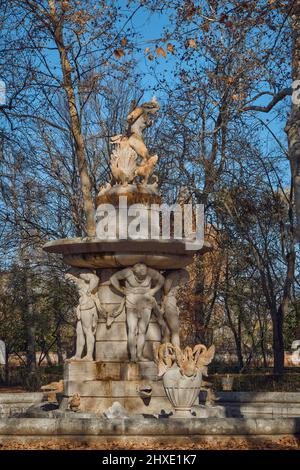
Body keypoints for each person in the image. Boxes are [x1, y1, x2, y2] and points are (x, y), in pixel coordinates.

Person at [110, 263, 165, 362]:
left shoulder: (150, 272)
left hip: (146, 302)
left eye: (144, 275)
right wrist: (121, 290)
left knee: (142, 331)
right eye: (140, 275)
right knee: (132, 329)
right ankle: (133, 356)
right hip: (131, 302)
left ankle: (139, 355)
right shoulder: (128, 272)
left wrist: (154, 290)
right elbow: (113, 278)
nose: (142, 276)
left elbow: (162, 279)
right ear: (135, 272)